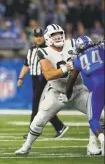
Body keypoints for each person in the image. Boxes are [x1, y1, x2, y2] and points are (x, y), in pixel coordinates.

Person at [15, 24, 104, 156]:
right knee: (38, 120)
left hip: (78, 90)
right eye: (54, 35)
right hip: (57, 93)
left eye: (59, 34)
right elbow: (48, 75)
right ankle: (26, 146)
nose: (58, 37)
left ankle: (92, 144)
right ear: (47, 37)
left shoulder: (73, 43)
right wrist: (65, 68)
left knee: (100, 116)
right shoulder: (43, 51)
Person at [18, 27, 68, 139]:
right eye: (36, 36)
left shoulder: (49, 49)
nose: (38, 38)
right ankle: (59, 126)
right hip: (35, 79)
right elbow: (26, 65)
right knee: (41, 107)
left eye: (40, 36)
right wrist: (20, 78)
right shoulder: (30, 50)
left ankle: (33, 131)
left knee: (36, 106)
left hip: (45, 79)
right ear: (33, 38)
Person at [61, 36, 104, 155]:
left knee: (93, 119)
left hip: (96, 89)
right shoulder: (101, 48)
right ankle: (93, 143)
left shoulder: (77, 60)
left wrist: (68, 94)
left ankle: (101, 139)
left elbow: (71, 80)